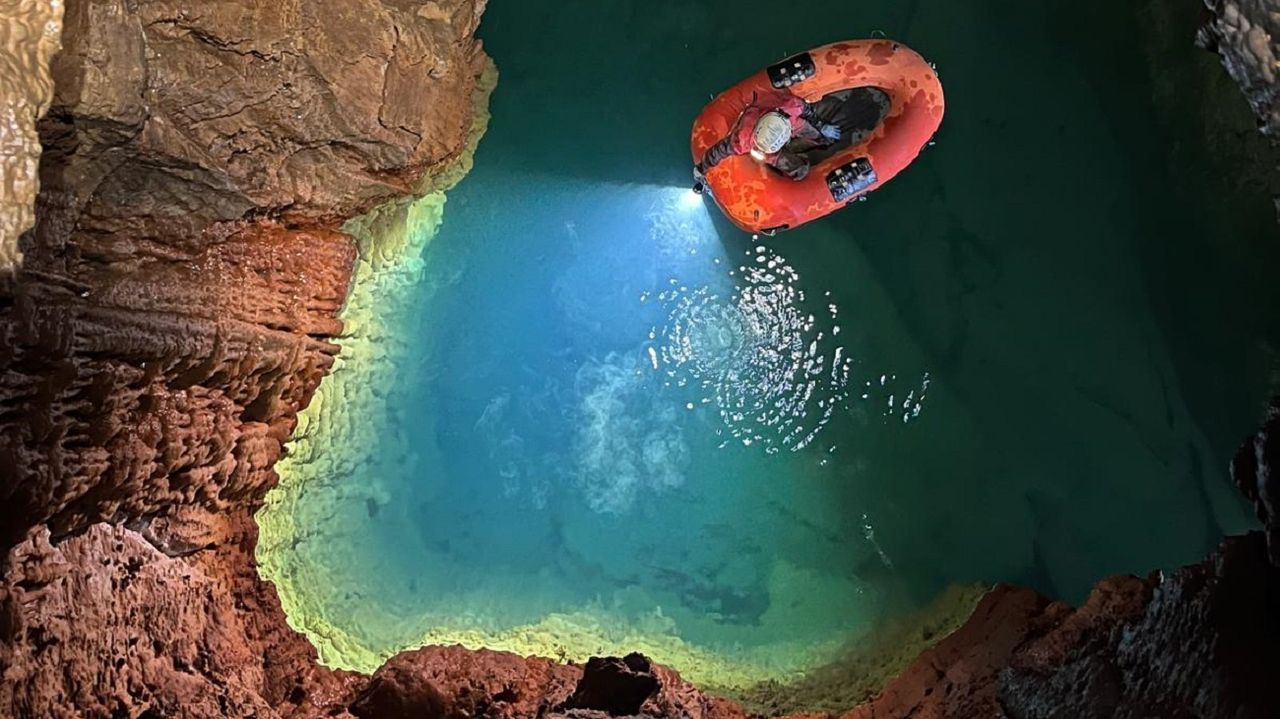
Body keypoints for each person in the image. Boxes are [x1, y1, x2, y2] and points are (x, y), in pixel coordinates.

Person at [694, 89, 843, 186]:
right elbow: (718, 151)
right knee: (798, 170)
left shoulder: (791, 106)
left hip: (790, 123)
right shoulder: (742, 139)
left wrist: (822, 126)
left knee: (818, 135)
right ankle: (798, 161)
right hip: (774, 136)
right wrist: (701, 169)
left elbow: (807, 110)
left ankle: (821, 142)